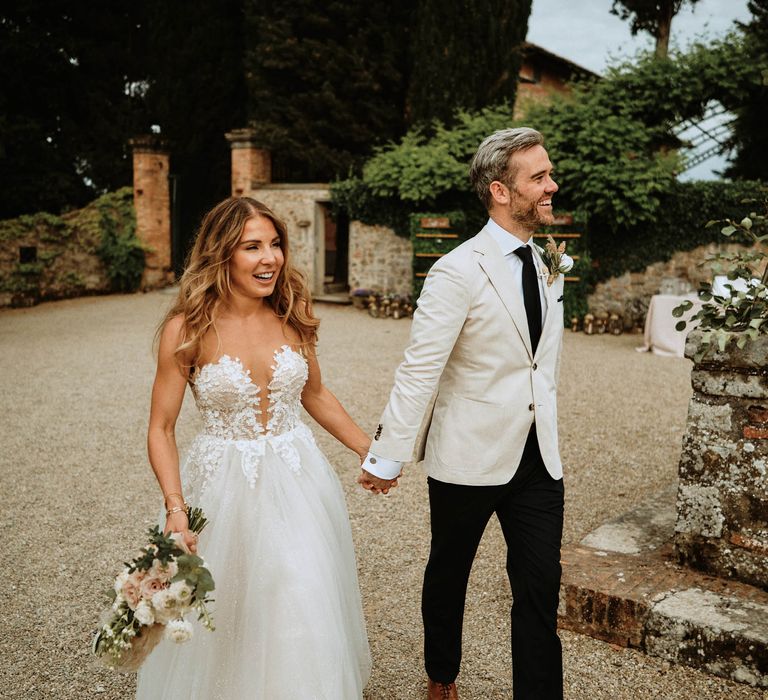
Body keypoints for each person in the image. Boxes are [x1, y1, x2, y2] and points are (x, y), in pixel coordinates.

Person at [359, 127, 571, 700]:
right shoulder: (456, 270)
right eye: (539, 177)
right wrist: (387, 454)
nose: (552, 184)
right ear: (501, 191)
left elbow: (537, 366)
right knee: (449, 573)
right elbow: (419, 368)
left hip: (538, 458)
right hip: (468, 455)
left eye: (549, 173)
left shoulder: (547, 263)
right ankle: (441, 676)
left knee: (539, 589)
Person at [136, 197, 373, 699]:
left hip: (298, 479)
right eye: (252, 247)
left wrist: (366, 449)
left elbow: (314, 393)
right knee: (231, 607)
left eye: (275, 245)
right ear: (222, 255)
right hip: (220, 487)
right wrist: (175, 508)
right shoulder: (187, 328)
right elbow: (161, 427)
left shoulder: (293, 313)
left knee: (298, 589)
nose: (270, 259)